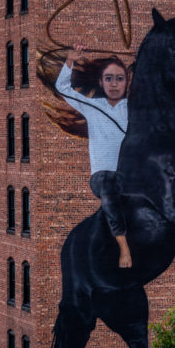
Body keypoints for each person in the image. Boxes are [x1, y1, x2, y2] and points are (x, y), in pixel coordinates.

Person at [55, 45, 132, 268]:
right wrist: (70, 61)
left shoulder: (134, 107)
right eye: (109, 78)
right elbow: (63, 88)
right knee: (108, 186)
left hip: (130, 173)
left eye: (119, 78)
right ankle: (123, 247)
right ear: (101, 82)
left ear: (127, 82)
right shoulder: (92, 106)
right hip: (103, 175)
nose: (114, 83)